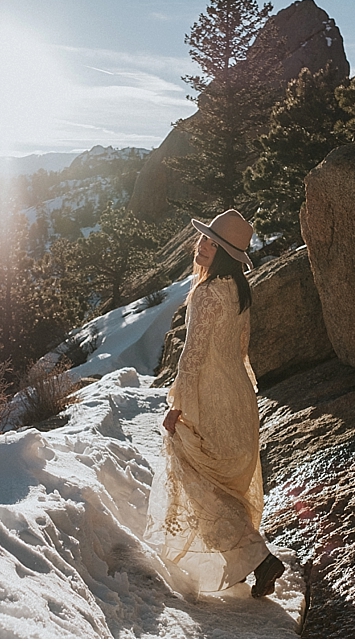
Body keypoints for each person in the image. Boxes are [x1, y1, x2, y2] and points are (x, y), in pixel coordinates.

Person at [145, 209, 285, 598]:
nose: (203, 247)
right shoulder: (239, 290)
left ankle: (258, 558)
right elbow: (241, 351)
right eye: (205, 239)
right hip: (238, 396)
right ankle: (240, 563)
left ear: (227, 253)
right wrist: (242, 393)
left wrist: (178, 404)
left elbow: (192, 355)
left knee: (199, 478)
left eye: (213, 243)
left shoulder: (206, 293)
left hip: (210, 397)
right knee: (222, 485)